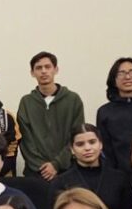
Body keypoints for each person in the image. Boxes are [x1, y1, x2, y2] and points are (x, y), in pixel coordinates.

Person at [51, 124, 132, 209]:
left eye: (92, 142)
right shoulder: (61, 182)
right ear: (72, 149)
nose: (87, 148)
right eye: (80, 144)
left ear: (100, 144)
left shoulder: (119, 179)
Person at [17, 52, 85, 182]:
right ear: (32, 73)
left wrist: (56, 164)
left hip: (68, 170)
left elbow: (76, 136)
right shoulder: (26, 102)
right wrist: (42, 167)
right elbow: (25, 140)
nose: (43, 71)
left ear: (56, 69)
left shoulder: (72, 99)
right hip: (36, 172)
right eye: (38, 68)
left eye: (47, 67)